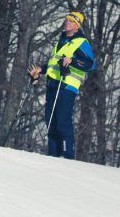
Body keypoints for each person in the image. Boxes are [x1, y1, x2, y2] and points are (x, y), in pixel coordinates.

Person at [29, 11, 95, 160]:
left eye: (71, 21)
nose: (67, 23)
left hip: (66, 86)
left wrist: (72, 61)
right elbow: (55, 63)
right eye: (67, 20)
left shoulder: (81, 42)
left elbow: (91, 64)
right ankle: (53, 155)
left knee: (62, 121)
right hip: (53, 84)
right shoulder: (62, 40)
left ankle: (67, 156)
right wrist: (41, 70)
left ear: (77, 25)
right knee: (50, 121)